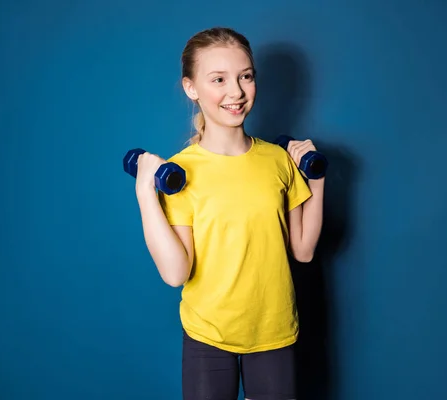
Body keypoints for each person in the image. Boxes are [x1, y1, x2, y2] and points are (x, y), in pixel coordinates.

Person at [134, 27, 325, 400]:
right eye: (218, 79)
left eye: (245, 77)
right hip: (209, 335)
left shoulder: (276, 161)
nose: (236, 92)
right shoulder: (180, 173)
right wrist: (145, 192)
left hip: (273, 330)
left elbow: (302, 250)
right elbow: (176, 274)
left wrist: (315, 179)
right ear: (191, 88)